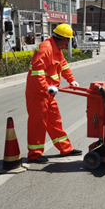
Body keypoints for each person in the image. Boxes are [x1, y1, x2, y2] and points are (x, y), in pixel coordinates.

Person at [25, 23, 83, 163]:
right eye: (68, 40)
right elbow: (37, 72)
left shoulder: (57, 49)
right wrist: (47, 87)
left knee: (55, 121)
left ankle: (65, 148)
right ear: (64, 39)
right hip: (38, 93)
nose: (68, 43)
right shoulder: (46, 49)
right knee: (38, 123)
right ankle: (34, 154)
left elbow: (63, 66)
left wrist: (72, 80)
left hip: (48, 94)